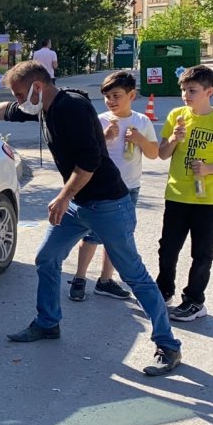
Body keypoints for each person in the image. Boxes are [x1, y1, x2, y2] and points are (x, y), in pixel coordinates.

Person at [0, 60, 181, 376]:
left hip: (108, 204)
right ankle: (48, 322)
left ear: (38, 87)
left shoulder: (73, 107)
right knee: (46, 258)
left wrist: (63, 197)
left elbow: (90, 161)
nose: (20, 100)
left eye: (22, 94)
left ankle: (169, 346)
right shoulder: (40, 105)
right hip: (80, 204)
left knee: (134, 275)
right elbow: (8, 111)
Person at [156, 65, 213, 322]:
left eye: (192, 90)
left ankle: (194, 301)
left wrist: (209, 169)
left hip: (208, 199)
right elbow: (162, 154)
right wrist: (173, 138)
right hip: (177, 194)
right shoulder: (176, 116)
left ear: (209, 92)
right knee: (168, 248)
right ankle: (164, 290)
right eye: (183, 90)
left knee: (202, 253)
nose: (186, 95)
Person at [69, 71, 159, 302]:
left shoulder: (142, 121)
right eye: (107, 96)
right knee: (91, 235)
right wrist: (105, 137)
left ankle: (105, 281)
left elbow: (153, 154)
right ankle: (79, 278)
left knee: (116, 237)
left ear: (132, 95)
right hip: (101, 189)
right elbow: (87, 154)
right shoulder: (99, 121)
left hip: (129, 188)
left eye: (116, 95)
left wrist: (140, 140)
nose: (111, 101)